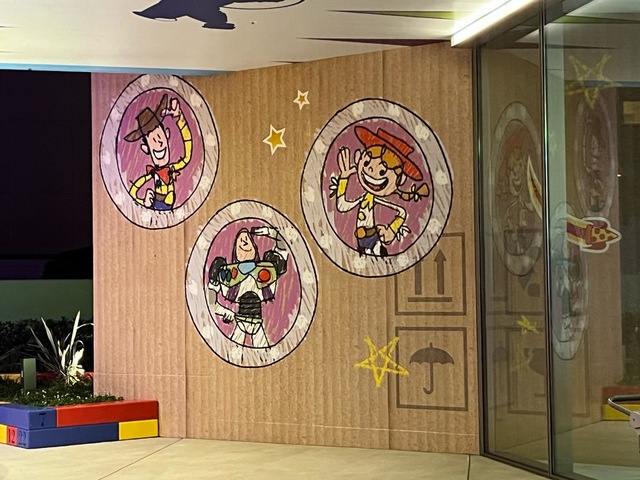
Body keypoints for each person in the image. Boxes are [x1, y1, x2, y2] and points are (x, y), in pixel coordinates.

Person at [330, 126, 429, 257]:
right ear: (359, 158)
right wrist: (344, 178)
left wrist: (392, 230)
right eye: (367, 163)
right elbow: (342, 206)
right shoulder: (362, 197)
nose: (371, 171)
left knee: (379, 259)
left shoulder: (380, 201)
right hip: (360, 241)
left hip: (375, 240)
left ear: (401, 180)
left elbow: (402, 213)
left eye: (382, 171)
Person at [207, 226, 288, 348]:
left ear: (255, 248)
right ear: (235, 251)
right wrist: (225, 312)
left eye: (247, 239)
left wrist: (271, 232)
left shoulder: (268, 270)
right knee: (234, 352)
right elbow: (211, 300)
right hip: (240, 322)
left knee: (262, 351)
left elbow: (283, 247)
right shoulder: (227, 275)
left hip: (257, 323)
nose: (244, 241)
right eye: (240, 241)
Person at [124, 94, 192, 211]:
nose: (159, 143)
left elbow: (187, 157)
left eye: (160, 137)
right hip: (156, 206)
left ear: (167, 135)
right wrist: (143, 201)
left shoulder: (171, 168)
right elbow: (133, 191)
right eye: (154, 140)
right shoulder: (153, 174)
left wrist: (180, 119)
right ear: (146, 149)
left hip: (170, 209)